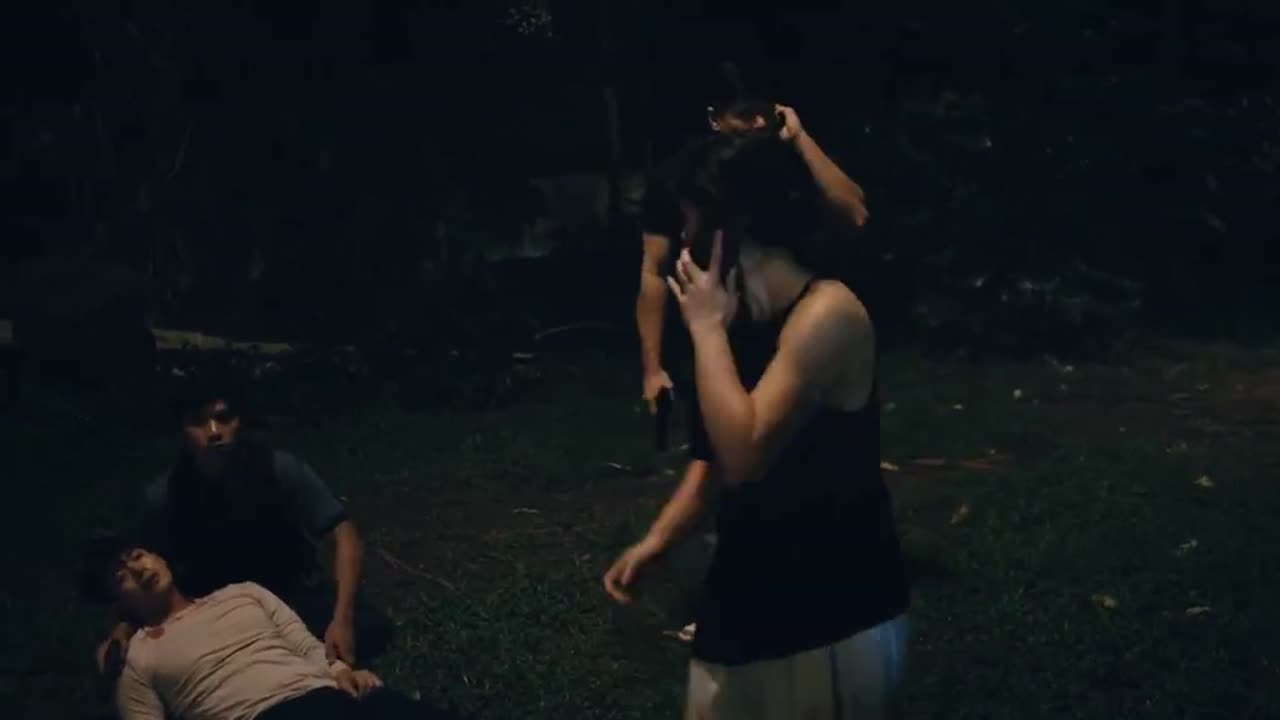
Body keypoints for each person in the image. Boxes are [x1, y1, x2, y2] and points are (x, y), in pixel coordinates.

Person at [605, 131, 910, 718]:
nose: (683, 248)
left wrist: (705, 333)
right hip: (746, 597)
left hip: (831, 612)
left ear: (732, 230)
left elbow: (745, 455)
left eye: (691, 227)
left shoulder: (828, 314)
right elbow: (712, 461)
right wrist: (659, 542)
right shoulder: (736, 322)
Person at [95, 377, 391, 674]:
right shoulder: (166, 495)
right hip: (217, 612)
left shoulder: (278, 469)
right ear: (182, 431)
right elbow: (142, 567)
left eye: (224, 418)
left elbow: (343, 533)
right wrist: (122, 627)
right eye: (198, 422)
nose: (214, 432)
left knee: (371, 629)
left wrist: (342, 618)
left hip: (291, 595)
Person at [636, 61, 870, 414]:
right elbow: (653, 271)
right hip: (719, 330)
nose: (759, 124)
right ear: (715, 119)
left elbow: (855, 214)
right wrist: (652, 368)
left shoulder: (788, 165)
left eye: (765, 112)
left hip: (799, 325)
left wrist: (800, 138)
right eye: (745, 115)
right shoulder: (683, 179)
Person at [80, 534, 459, 720]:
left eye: (138, 556)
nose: (139, 569)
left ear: (158, 556)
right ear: (118, 602)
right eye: (122, 575)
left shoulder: (243, 593)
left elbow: (305, 646)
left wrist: (341, 670)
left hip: (326, 696)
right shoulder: (137, 657)